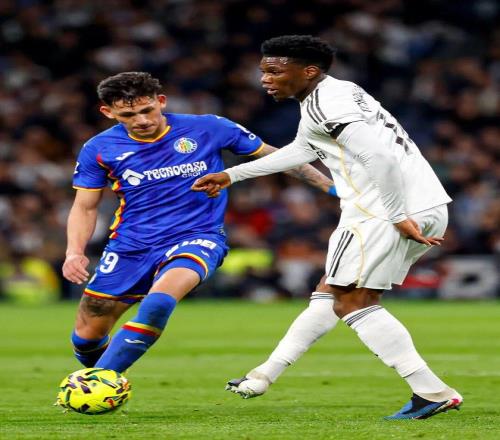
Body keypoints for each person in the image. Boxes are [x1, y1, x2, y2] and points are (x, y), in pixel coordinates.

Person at [192, 35, 462, 420]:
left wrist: (396, 215)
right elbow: (302, 151)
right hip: (419, 203)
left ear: (309, 71)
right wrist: (232, 175)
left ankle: (431, 391)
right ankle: (264, 375)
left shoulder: (328, 104)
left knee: (353, 302)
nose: (265, 79)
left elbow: (381, 158)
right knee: (329, 293)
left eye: (275, 71)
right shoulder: (336, 94)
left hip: (384, 209)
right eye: (263, 71)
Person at [61, 72, 335, 378]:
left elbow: (278, 158)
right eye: (128, 115)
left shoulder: (209, 127)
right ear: (108, 112)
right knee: (87, 336)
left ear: (161, 101)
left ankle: (101, 380)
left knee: (158, 303)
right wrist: (74, 252)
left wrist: (332, 188)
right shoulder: (99, 148)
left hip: (198, 237)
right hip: (131, 246)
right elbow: (85, 206)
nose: (142, 120)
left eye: (147, 110)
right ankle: (100, 379)